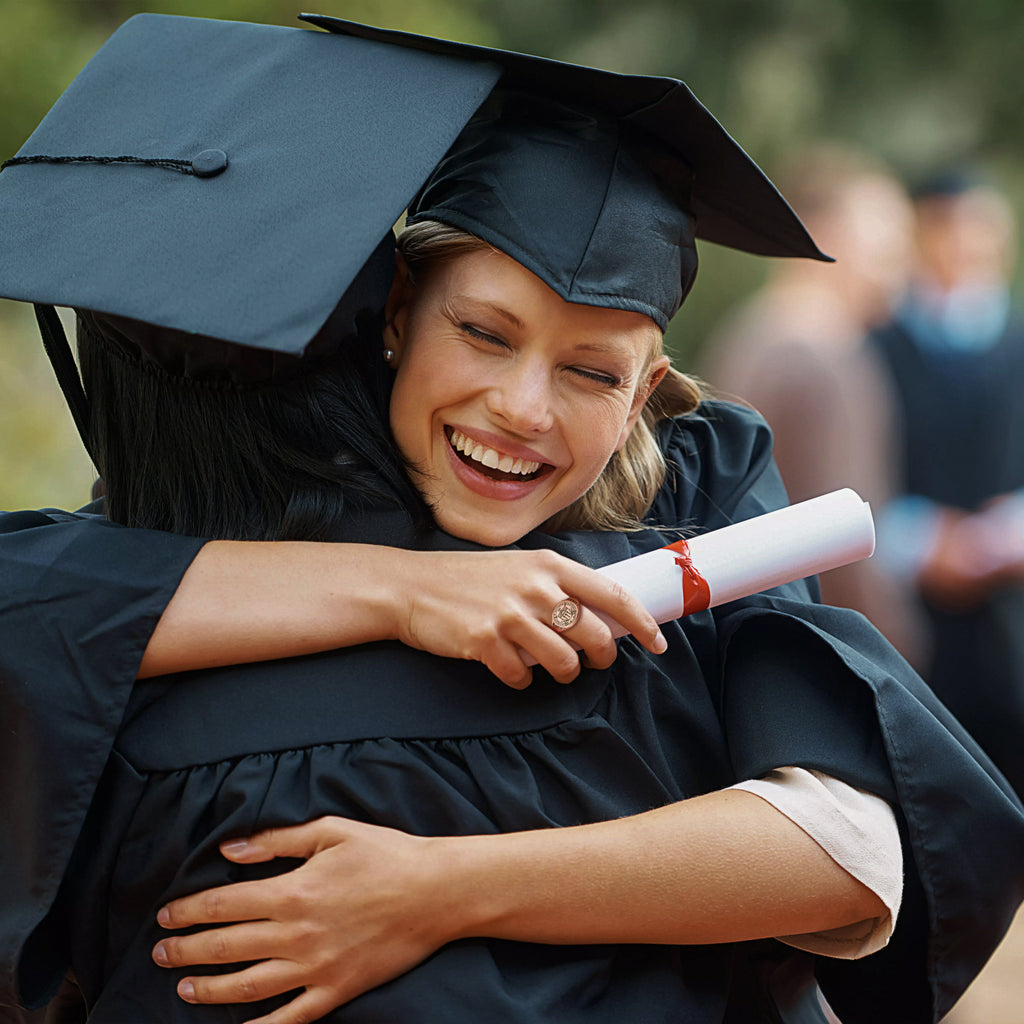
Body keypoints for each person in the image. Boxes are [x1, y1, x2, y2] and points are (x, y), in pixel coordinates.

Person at [1, 13, 1022, 1024]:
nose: (522, 410)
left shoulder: (699, 501)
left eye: (591, 371)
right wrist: (409, 592)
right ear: (396, 312)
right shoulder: (217, 533)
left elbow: (845, 843)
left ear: (644, 390)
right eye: (483, 333)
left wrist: (435, 889)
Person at [701, 145, 924, 661]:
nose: (901, 266)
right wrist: (898, 656)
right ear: (824, 232)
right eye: (886, 244)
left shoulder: (749, 332)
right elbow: (846, 540)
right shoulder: (821, 354)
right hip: (824, 650)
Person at [868, 169, 1024, 796]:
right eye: (950, 228)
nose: (967, 245)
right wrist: (921, 541)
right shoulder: (875, 345)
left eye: (981, 228)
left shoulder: (1016, 339)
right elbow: (858, 472)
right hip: (915, 607)